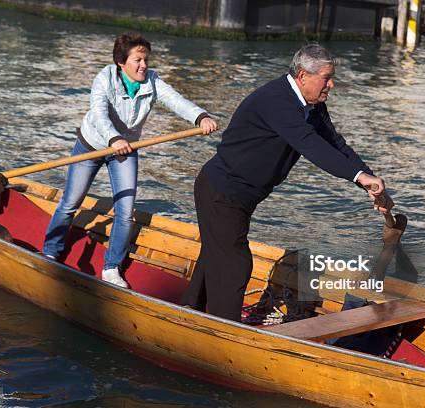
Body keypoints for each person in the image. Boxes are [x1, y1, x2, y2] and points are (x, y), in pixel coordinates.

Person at [180, 43, 393, 322]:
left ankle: (187, 312)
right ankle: (223, 331)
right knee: (235, 265)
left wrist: (367, 179)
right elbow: (311, 145)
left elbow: (335, 144)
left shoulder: (313, 106)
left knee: (215, 255)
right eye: (326, 78)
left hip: (241, 197)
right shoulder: (277, 101)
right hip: (221, 192)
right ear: (303, 76)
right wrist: (359, 177)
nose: (332, 84)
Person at [43, 32, 217, 288]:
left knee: (125, 213)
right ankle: (50, 251)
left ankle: (111, 267)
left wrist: (200, 117)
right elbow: (99, 113)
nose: (144, 65)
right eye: (138, 60)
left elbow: (177, 101)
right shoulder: (104, 78)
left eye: (145, 59)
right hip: (92, 144)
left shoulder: (153, 81)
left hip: (126, 149)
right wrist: (113, 139)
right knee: (71, 202)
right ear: (121, 63)